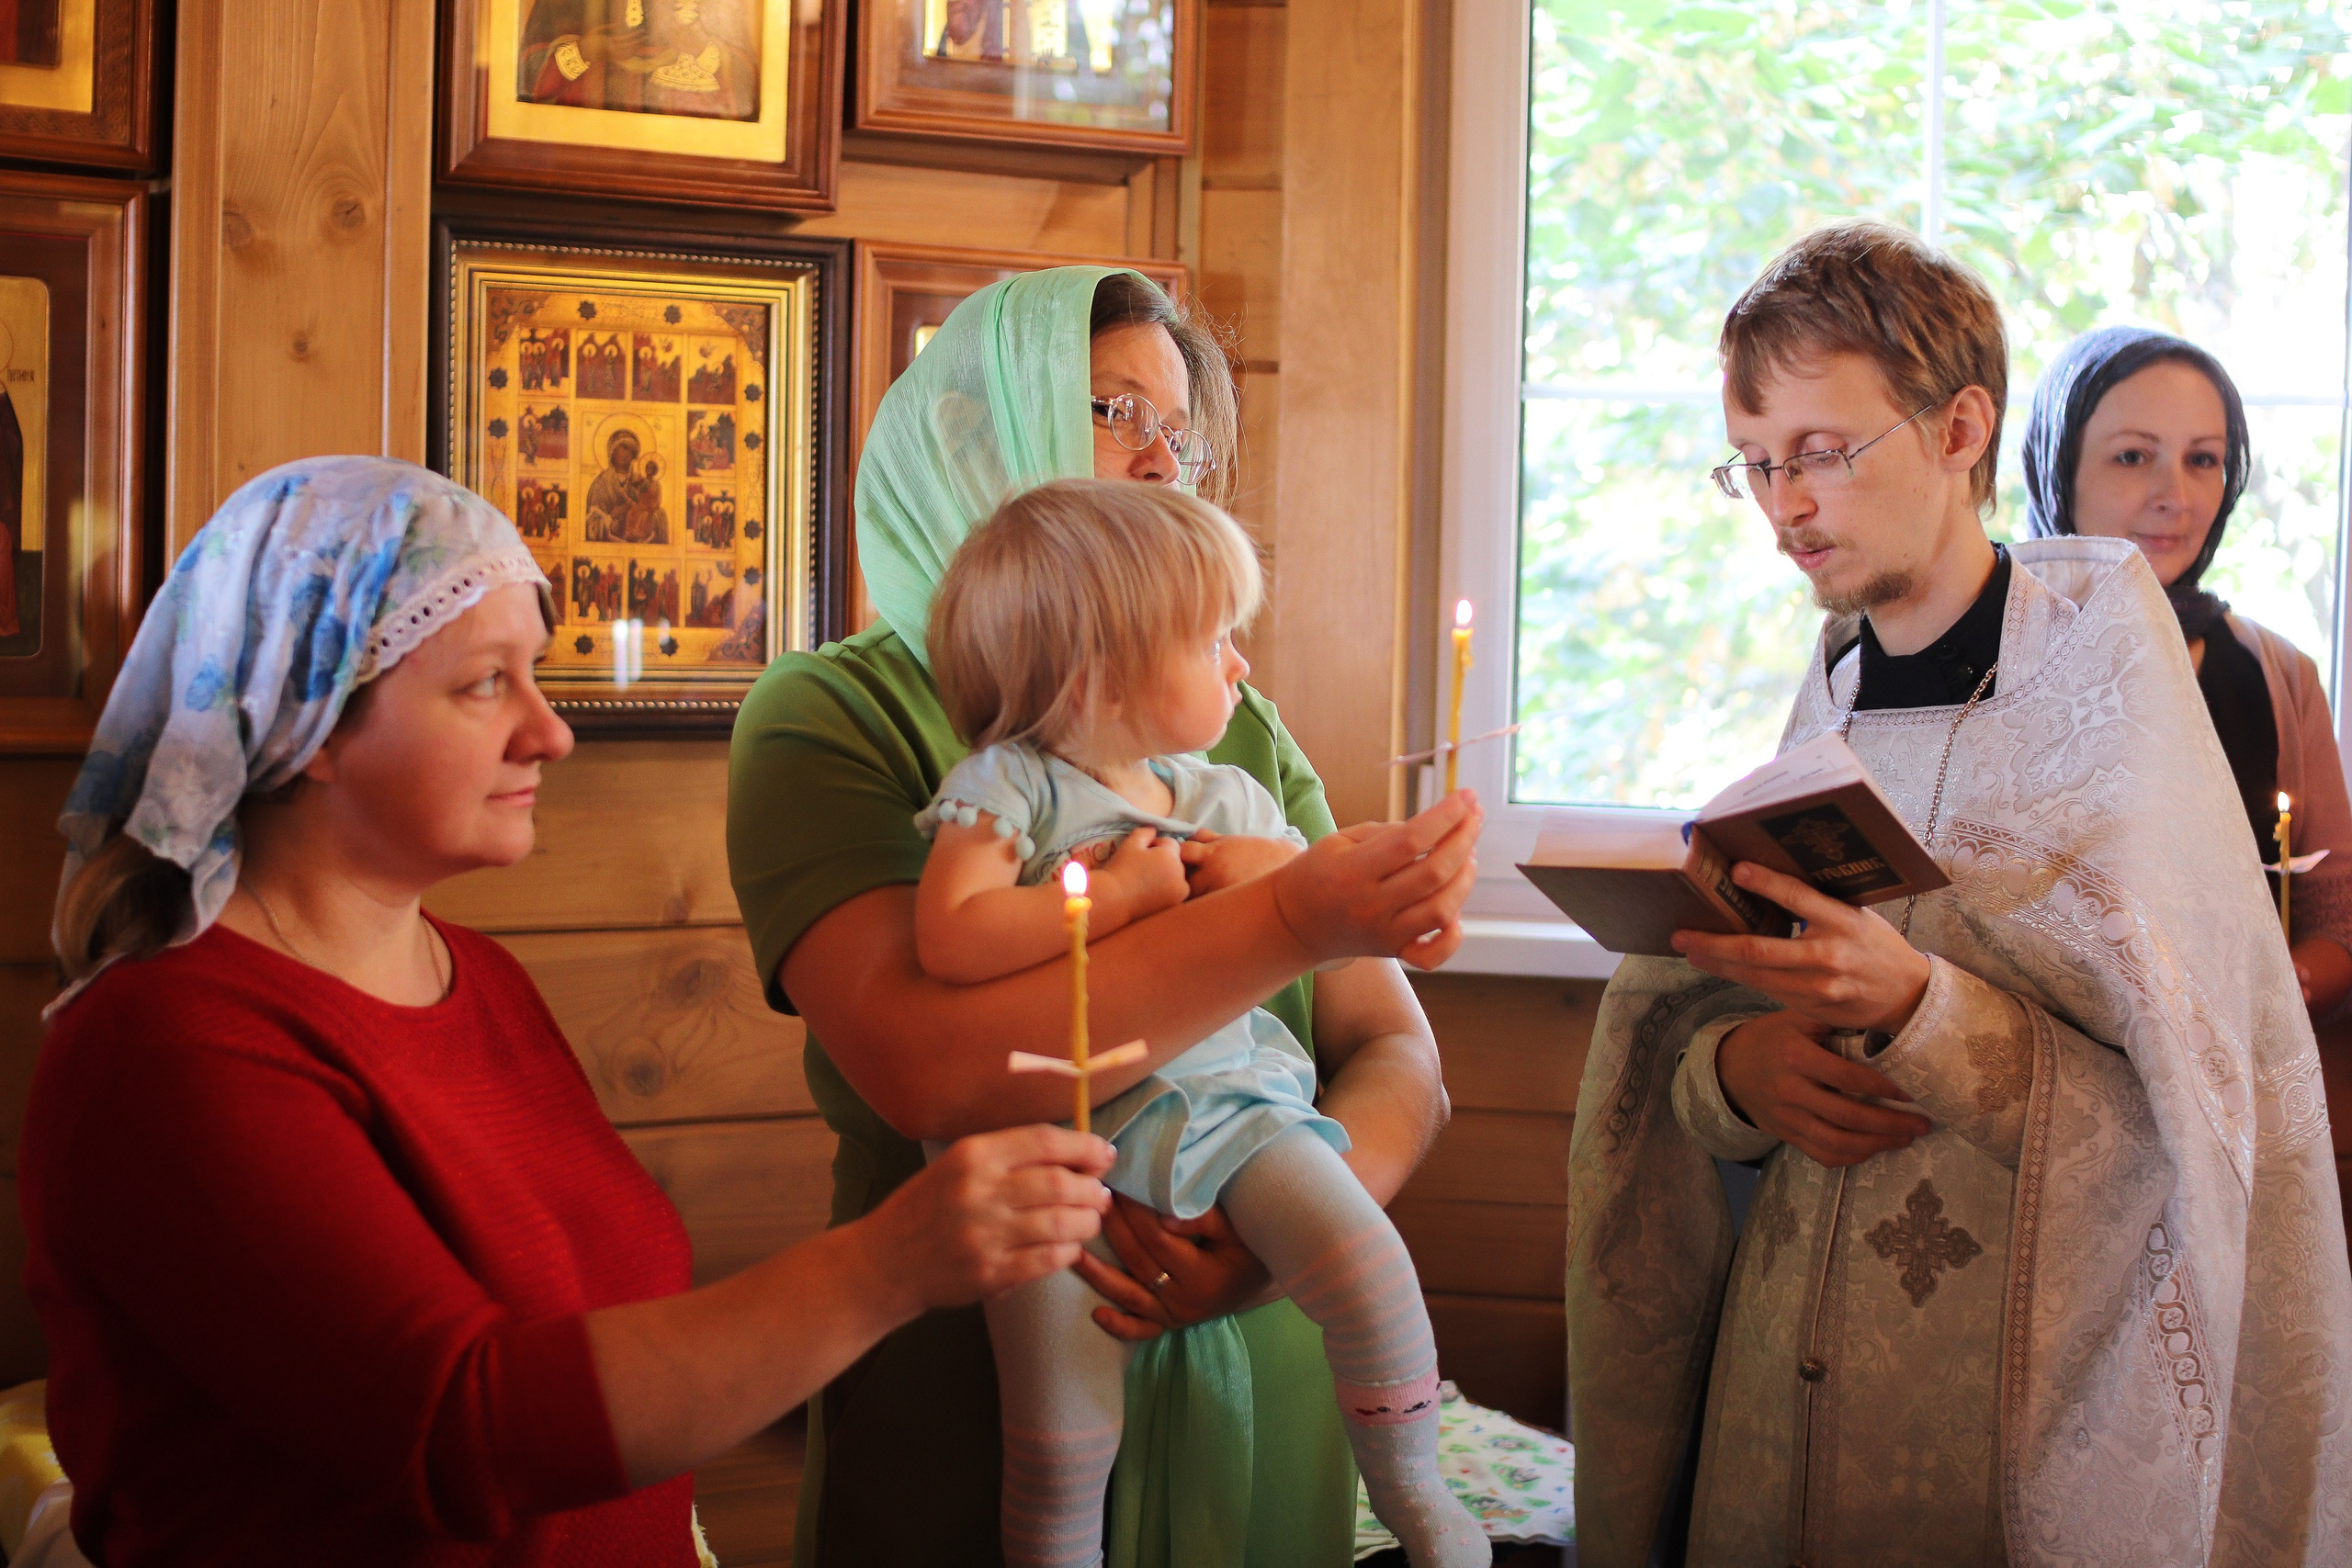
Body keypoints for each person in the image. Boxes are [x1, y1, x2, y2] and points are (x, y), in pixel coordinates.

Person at [25, 457, 1117, 1566]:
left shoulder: (478, 979)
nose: (550, 734)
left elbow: (594, 1346)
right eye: (483, 684)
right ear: (307, 721)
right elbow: (466, 1429)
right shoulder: (166, 1047)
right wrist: (889, 1265)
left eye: (536, 676)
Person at [1565, 224, 2352, 1566]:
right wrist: (1740, 1075)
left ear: (1960, 427)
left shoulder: (2111, 719)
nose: (1781, 504)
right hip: (1776, 1398)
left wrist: (1923, 1009)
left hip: (2008, 1430)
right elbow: (1692, 1043)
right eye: (1755, 462)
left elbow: (2198, 1131)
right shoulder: (1836, 698)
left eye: (1821, 450)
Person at [726, 266, 1483, 1567]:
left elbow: (1395, 1051)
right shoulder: (828, 715)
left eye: (1179, 432)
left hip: (1274, 1388)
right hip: (972, 1392)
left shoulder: (1229, 732)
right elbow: (930, 1064)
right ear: (978, 426)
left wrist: (1276, 1231)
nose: (1162, 461)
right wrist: (1292, 911)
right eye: (1118, 409)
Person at [911, 478, 1487, 1568]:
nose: (1240, 663)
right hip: (1049, 1137)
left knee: (1362, 1259)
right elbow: (952, 935)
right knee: (1061, 1425)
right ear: (1106, 676)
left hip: (1230, 1108)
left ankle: (1414, 1493)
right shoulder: (1009, 788)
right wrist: (1118, 900)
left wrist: (1304, 875)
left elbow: (1324, 917)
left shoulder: (1224, 797)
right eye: (1215, 638)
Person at [2021, 325, 2352, 1021]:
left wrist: (2293, 983)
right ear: (2058, 464)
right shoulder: (1978, 654)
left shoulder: (2279, 673)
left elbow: (2336, 912)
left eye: (2204, 458)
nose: (2176, 494)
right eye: (2134, 455)